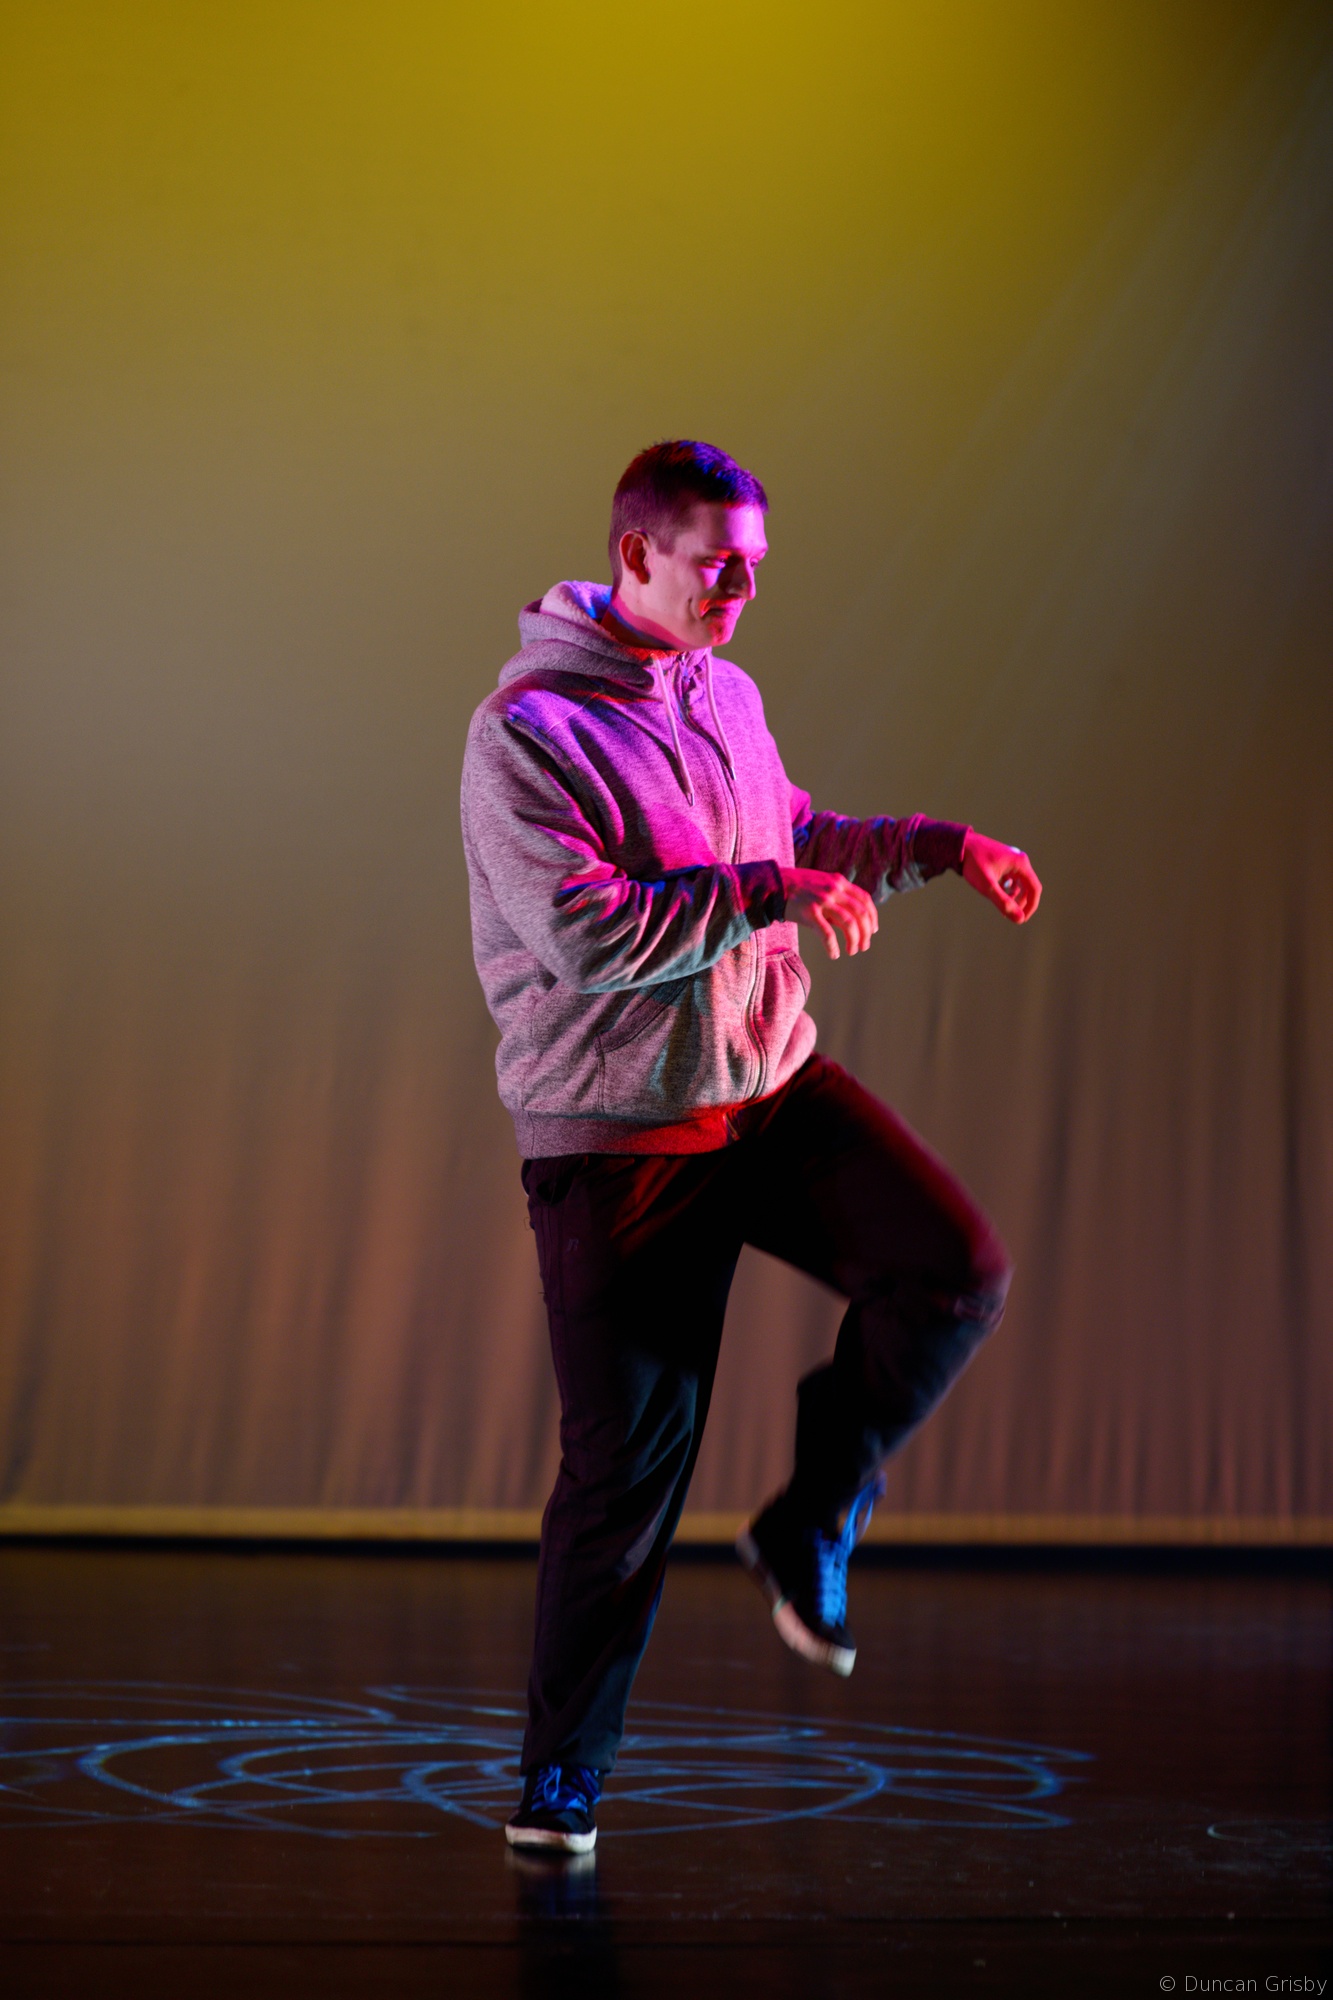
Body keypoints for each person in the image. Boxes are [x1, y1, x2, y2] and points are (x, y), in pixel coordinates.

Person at [461, 440, 1041, 1855]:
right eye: (718, 565)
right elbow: (585, 932)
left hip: (764, 1088)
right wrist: (765, 891)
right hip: (623, 1134)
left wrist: (939, 844)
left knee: (953, 1272)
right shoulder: (529, 730)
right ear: (636, 555)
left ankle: (810, 1518)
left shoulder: (724, 691)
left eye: (756, 567)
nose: (742, 591)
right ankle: (561, 1777)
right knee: (624, 1479)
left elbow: (792, 835)